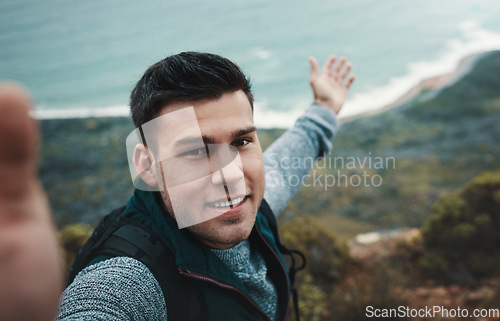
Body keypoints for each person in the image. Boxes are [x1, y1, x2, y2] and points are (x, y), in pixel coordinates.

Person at [0, 52, 354, 321]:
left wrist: (324, 107)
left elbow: (296, 149)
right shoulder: (130, 278)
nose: (230, 175)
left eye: (242, 141)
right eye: (197, 151)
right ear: (148, 168)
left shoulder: (249, 201)